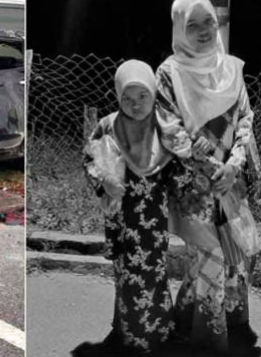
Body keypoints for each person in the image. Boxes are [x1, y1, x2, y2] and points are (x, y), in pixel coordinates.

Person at [155, 0, 261, 356]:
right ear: (179, 29)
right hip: (195, 187)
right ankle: (209, 343)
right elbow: (171, 132)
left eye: (209, 23)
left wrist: (234, 165)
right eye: (192, 25)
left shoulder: (230, 68)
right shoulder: (169, 73)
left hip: (232, 182)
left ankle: (189, 320)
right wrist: (215, 169)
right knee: (210, 256)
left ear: (218, 25)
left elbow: (246, 118)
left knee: (232, 257)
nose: (203, 31)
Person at [78, 60, 178, 355]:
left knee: (153, 271)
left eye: (143, 96)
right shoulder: (108, 125)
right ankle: (129, 330)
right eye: (127, 98)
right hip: (121, 216)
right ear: (118, 97)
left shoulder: (164, 128)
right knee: (125, 271)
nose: (136, 105)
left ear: (154, 94)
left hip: (153, 217)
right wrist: (103, 178)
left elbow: (179, 171)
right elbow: (89, 158)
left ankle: (156, 331)